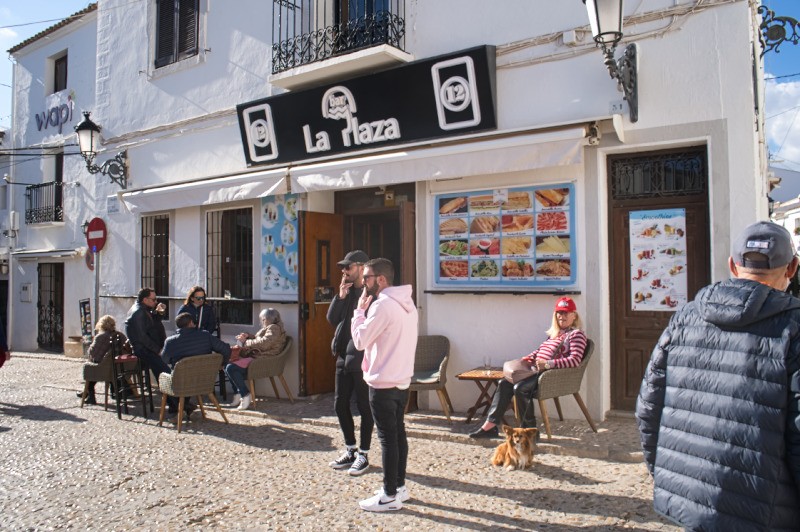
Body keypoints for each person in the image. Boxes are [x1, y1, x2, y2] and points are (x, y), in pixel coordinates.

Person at [636, 221, 800, 530]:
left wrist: (666, 473)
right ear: (792, 268)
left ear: (732, 266)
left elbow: (648, 407)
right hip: (764, 511)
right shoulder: (794, 326)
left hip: (690, 499)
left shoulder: (685, 317)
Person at [351, 258, 418, 512]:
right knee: (398, 435)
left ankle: (389, 495)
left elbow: (360, 340)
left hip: (383, 382)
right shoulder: (408, 304)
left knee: (388, 439)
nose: (363, 283)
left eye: (366, 277)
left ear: (381, 279)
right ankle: (399, 487)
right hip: (402, 380)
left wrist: (359, 312)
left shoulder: (383, 306)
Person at [469, 297, 587, 439]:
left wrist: (548, 364)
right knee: (504, 383)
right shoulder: (555, 334)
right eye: (559, 312)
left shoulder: (576, 335)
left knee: (520, 388)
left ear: (574, 316)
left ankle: (530, 432)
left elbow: (574, 361)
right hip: (536, 371)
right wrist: (528, 358)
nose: (562, 316)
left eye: (566, 312)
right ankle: (490, 426)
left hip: (551, 376)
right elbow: (540, 351)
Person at [327, 250, 374, 476]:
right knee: (340, 404)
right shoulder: (346, 292)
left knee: (365, 406)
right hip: (343, 355)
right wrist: (340, 297)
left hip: (361, 356)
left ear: (361, 267)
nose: (344, 271)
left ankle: (364, 454)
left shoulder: (370, 293)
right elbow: (331, 319)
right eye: (343, 268)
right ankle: (350, 449)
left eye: (348, 267)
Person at [161, 312, 232, 419]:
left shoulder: (171, 341)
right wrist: (222, 364)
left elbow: (164, 360)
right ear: (191, 323)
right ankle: (186, 407)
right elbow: (226, 349)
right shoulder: (205, 336)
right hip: (204, 380)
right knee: (185, 375)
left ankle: (182, 409)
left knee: (166, 376)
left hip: (182, 382)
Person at [125, 288, 176, 412]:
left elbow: (152, 323)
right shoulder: (138, 312)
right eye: (153, 300)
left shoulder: (143, 309)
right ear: (145, 299)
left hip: (149, 349)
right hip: (144, 350)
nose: (156, 302)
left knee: (163, 373)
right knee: (165, 373)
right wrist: (157, 350)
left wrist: (159, 313)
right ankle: (177, 404)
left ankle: (175, 404)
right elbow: (142, 337)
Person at [225, 308, 286, 411]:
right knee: (228, 364)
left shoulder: (274, 328)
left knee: (231, 368)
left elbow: (264, 343)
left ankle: (245, 394)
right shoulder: (272, 327)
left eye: (263, 319)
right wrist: (248, 336)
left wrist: (245, 342)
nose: (262, 321)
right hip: (258, 357)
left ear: (267, 319)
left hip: (263, 359)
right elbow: (261, 339)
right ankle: (238, 393)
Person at [77, 315, 132, 405]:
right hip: (118, 367)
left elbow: (92, 353)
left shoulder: (100, 337)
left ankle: (90, 395)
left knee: (90, 368)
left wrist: (91, 346)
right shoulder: (120, 335)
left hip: (103, 367)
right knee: (99, 366)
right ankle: (87, 393)